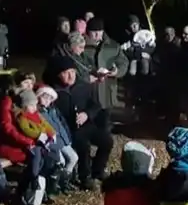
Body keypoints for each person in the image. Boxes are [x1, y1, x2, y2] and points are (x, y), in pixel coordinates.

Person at [48, 56, 113, 190]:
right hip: (68, 130)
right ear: (58, 74)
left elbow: (95, 105)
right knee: (83, 145)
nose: (71, 75)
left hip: (86, 124)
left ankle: (98, 170)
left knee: (107, 141)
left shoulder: (82, 86)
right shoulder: (53, 92)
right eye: (66, 72)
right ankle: (85, 177)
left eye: (72, 71)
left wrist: (87, 114)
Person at [36, 85, 78, 192]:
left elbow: (62, 123)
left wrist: (67, 136)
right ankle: (54, 183)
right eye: (44, 97)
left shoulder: (53, 110)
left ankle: (64, 181)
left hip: (63, 139)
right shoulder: (38, 113)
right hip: (52, 141)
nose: (47, 100)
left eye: (50, 98)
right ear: (38, 97)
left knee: (73, 157)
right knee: (60, 161)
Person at [85, 17, 130, 109]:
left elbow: (123, 63)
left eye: (99, 31)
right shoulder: (81, 46)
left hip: (107, 93)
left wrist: (117, 72)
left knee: (105, 116)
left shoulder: (113, 46)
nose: (97, 34)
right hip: (88, 93)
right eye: (94, 32)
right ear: (88, 31)